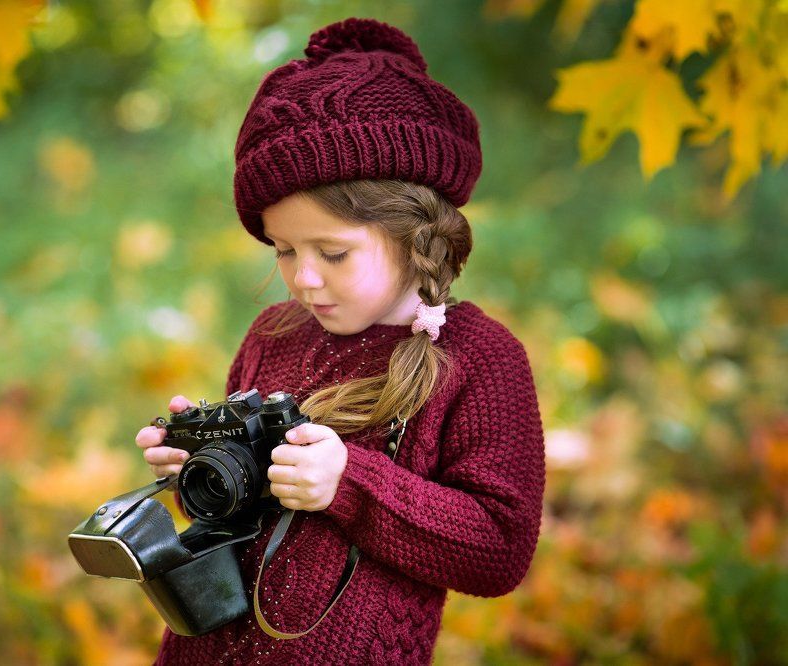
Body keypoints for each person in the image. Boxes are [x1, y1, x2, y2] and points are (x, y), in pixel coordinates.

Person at [134, 16, 545, 665]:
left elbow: (499, 549)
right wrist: (204, 473)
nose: (302, 278)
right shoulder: (273, 335)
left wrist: (349, 483)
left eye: (332, 252)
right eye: (284, 249)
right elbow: (241, 516)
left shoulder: (478, 360)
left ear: (415, 232)